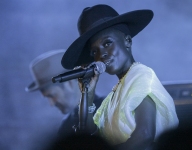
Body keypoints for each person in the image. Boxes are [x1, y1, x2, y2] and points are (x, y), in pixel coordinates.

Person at [61, 4, 179, 150]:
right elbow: (92, 134)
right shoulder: (114, 95)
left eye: (107, 43)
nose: (101, 54)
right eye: (94, 51)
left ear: (127, 41)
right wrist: (88, 94)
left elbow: (144, 134)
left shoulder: (141, 76)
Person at [25, 49, 104, 138]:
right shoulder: (65, 128)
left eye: (52, 95)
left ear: (69, 83)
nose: (51, 103)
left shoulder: (109, 110)